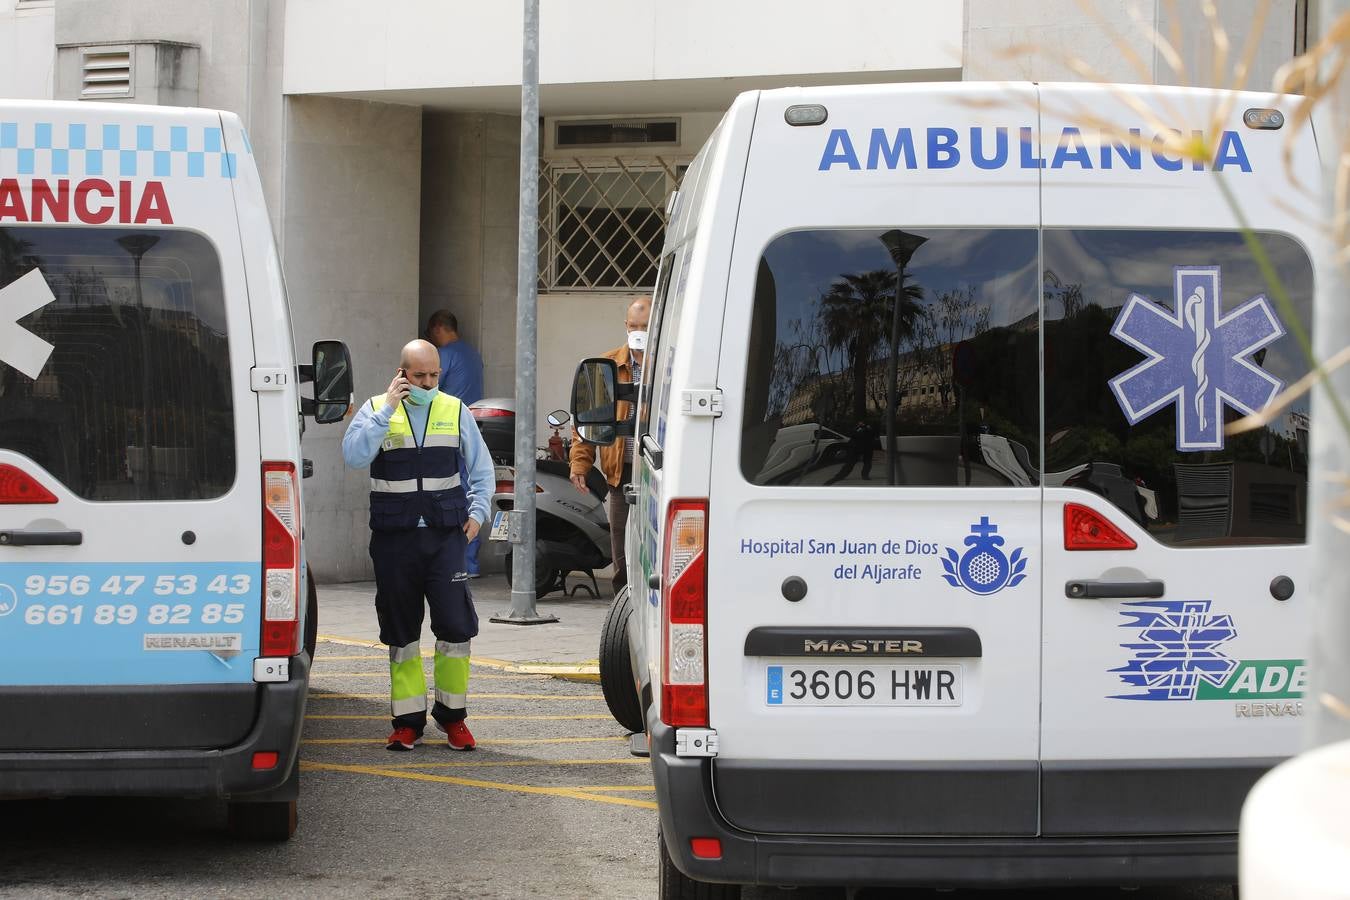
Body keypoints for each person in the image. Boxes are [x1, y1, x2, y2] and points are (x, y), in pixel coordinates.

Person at [342, 339, 494, 752]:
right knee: (401, 631)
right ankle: (407, 722)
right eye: (420, 376)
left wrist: (477, 516)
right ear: (401, 373)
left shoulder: (454, 409)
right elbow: (353, 457)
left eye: (434, 376)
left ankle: (453, 718)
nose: (428, 383)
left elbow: (482, 469)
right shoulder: (377, 409)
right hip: (395, 540)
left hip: (445, 538)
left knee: (456, 628)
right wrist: (387, 409)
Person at [569, 297, 650, 595]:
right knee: (622, 553)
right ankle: (623, 608)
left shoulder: (672, 364)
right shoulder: (607, 366)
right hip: (621, 474)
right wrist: (580, 463)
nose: (639, 332)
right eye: (634, 326)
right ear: (626, 326)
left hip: (660, 471)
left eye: (645, 326)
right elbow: (587, 420)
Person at [424, 309, 485, 576]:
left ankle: (461, 561)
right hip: (474, 426)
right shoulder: (473, 354)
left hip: (448, 430)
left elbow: (430, 390)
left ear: (439, 328)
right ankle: (470, 562)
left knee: (454, 495)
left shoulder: (445, 356)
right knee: (473, 491)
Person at [424, 310, 484, 405]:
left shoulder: (442, 354)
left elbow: (428, 387)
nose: (429, 339)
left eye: (428, 333)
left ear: (437, 329)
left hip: (451, 414)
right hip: (473, 415)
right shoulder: (474, 353)